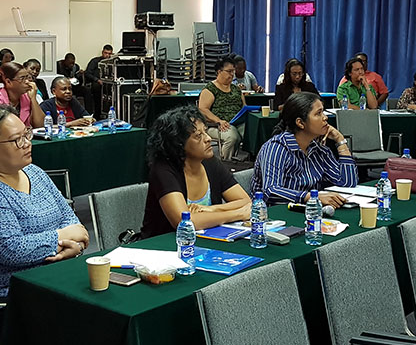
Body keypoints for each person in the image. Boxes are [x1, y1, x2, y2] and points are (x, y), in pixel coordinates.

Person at [0, 105, 89, 341]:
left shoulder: (35, 173)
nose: (28, 143)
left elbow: (72, 222)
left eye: (26, 134)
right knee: (94, 322)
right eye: (17, 140)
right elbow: (12, 249)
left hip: (59, 281)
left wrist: (76, 246)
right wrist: (60, 238)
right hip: (11, 299)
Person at [141, 106, 252, 239]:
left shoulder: (210, 162)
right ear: (179, 144)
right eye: (198, 136)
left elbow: (245, 201)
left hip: (208, 242)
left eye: (205, 132)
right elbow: (184, 222)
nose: (208, 138)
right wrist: (238, 214)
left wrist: (211, 209)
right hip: (164, 247)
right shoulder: (163, 170)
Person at [251, 92, 357, 207]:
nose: (325, 117)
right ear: (300, 123)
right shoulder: (276, 148)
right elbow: (270, 191)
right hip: (273, 216)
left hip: (309, 212)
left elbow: (347, 182)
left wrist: (340, 140)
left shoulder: (318, 149)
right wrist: (311, 197)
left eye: (323, 112)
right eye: (318, 113)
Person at [198, 55, 246, 160]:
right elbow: (203, 109)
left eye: (233, 71)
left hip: (237, 122)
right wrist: (219, 121)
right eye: (229, 71)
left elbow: (244, 107)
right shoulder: (210, 89)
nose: (232, 74)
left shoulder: (236, 89)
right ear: (219, 72)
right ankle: (225, 163)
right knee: (232, 137)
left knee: (252, 132)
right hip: (216, 125)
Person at [0, 62, 46, 128]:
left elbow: (41, 125)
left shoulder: (26, 97)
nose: (27, 82)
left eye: (27, 77)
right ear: (8, 82)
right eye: (22, 78)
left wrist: (33, 99)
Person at [85, 44, 114, 118]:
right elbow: (87, 73)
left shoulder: (113, 63)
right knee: (97, 87)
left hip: (109, 83)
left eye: (109, 53)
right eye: (106, 53)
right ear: (102, 52)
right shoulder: (95, 61)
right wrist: (97, 80)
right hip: (97, 83)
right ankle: (97, 114)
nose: (107, 55)